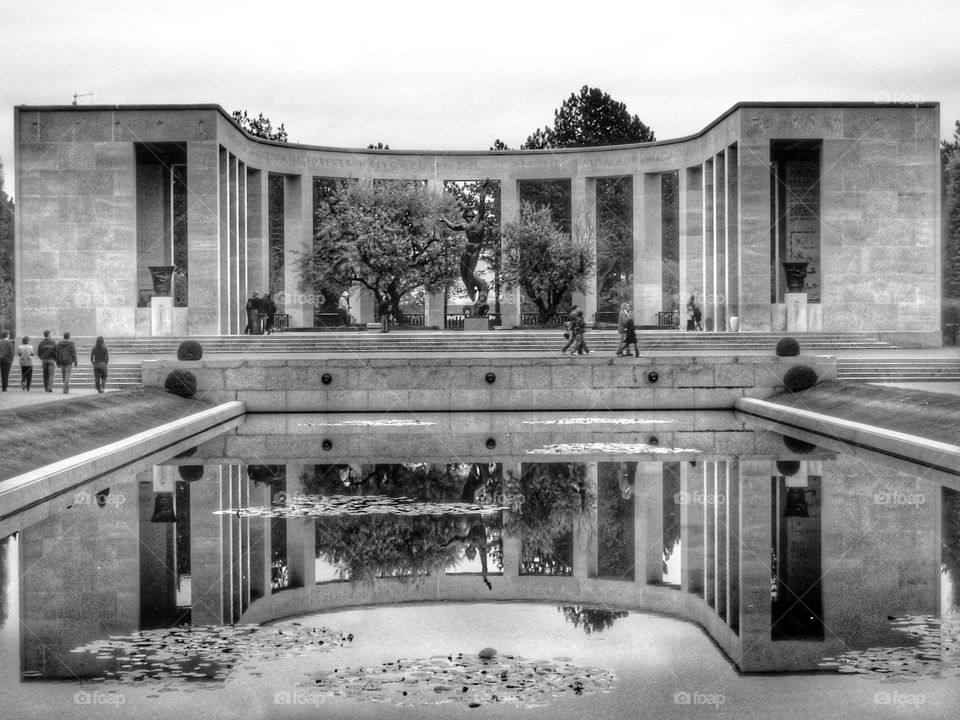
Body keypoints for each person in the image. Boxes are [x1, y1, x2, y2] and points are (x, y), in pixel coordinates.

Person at [439, 179, 491, 316]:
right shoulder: (464, 225)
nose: (468, 217)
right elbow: (454, 226)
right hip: (466, 251)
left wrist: (483, 190)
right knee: (463, 273)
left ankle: (478, 289)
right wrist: (445, 220)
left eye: (469, 215)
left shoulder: (479, 220)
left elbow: (482, 204)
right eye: (466, 216)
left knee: (469, 273)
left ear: (472, 215)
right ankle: (471, 290)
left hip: (474, 252)